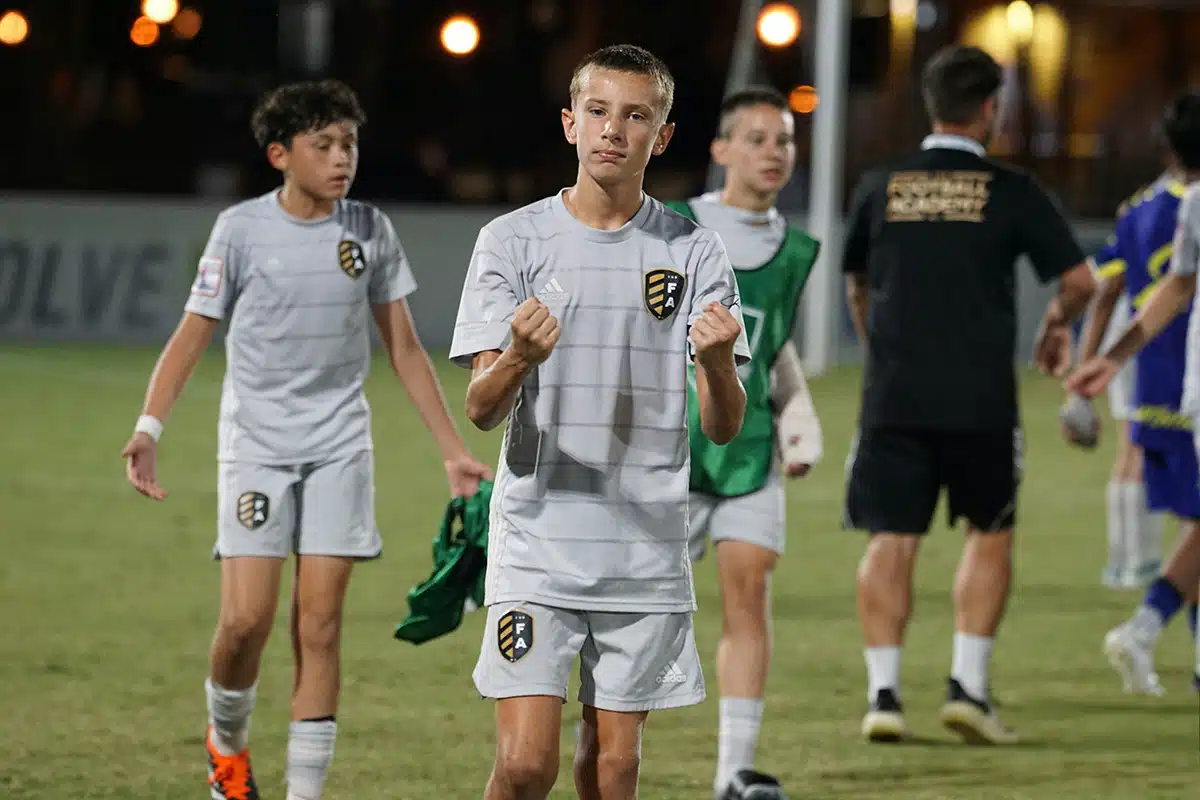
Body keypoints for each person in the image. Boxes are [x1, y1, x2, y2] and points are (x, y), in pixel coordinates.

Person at [120, 79, 492, 800]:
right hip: (256, 448)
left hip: (340, 449)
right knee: (245, 622)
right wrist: (148, 428)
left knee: (319, 627)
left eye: (348, 143)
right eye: (323, 146)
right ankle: (226, 745)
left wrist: (451, 448)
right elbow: (192, 337)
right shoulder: (240, 230)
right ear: (279, 155)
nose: (341, 158)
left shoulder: (369, 229)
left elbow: (406, 349)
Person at [449, 44, 751, 800]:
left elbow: (721, 427)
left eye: (636, 115)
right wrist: (517, 356)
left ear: (663, 135)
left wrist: (716, 365)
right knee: (525, 767)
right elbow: (482, 411)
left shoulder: (693, 249)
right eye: (598, 111)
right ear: (570, 124)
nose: (614, 129)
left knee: (614, 770)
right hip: (538, 541)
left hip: (644, 548)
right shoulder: (512, 242)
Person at [841, 45, 1094, 745]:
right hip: (981, 398)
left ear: (931, 105)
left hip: (894, 396)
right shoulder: (1010, 189)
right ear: (991, 109)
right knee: (990, 531)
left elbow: (856, 282)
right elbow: (1079, 282)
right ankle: (968, 689)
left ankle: (884, 695)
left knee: (891, 539)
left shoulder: (880, 185)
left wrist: (878, 349)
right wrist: (1053, 328)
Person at [663, 86, 821, 800]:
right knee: (640, 614)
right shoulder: (673, 226)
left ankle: (733, 773)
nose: (773, 152)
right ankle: (599, 754)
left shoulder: (798, 250)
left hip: (748, 448)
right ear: (721, 150)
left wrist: (797, 418)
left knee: (748, 593)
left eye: (783, 140)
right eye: (756, 139)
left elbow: (775, 348)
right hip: (666, 451)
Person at [1066, 91, 1200, 696]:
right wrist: (1108, 359)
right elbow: (1174, 288)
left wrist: (1108, 358)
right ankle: (1144, 626)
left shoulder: (1185, 202)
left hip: (1179, 384)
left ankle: (1156, 634)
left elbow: (1172, 288)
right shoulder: (1185, 204)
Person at [1074, 225, 1165, 588]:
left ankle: (1123, 562)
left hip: (1124, 330)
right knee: (1142, 448)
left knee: (1129, 449)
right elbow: (1109, 286)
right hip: (1148, 332)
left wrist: (1087, 360)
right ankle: (1141, 562)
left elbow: (1103, 279)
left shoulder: (1137, 211)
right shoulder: (1171, 207)